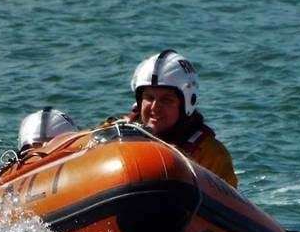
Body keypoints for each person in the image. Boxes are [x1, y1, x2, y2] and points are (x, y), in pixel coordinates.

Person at [101, 49, 238, 188]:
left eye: (166, 100)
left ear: (185, 105)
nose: (155, 107)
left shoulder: (210, 154)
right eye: (149, 98)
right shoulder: (115, 132)